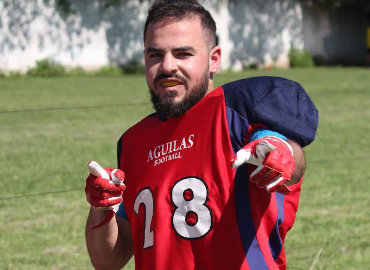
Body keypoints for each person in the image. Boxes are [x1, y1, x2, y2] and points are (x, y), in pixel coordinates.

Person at [84, 0, 318, 269]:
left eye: (183, 53)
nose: (167, 66)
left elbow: (289, 157)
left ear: (213, 59)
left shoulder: (239, 114)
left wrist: (282, 153)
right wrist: (101, 208)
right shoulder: (134, 142)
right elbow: (108, 262)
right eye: (155, 55)